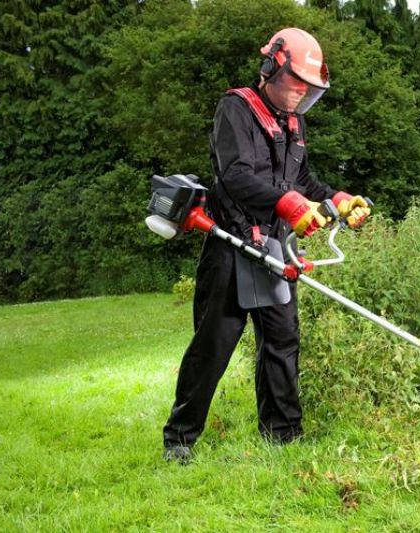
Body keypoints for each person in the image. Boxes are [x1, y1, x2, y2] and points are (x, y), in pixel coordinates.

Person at [162, 27, 370, 464]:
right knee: (214, 344)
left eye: (309, 89)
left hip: (276, 249)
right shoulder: (235, 109)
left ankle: (283, 434)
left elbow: (303, 180)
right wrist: (291, 205)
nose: (301, 94)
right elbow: (236, 176)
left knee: (281, 340)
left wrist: (337, 199)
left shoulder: (295, 123)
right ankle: (179, 439)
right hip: (230, 244)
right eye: (297, 83)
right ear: (272, 67)